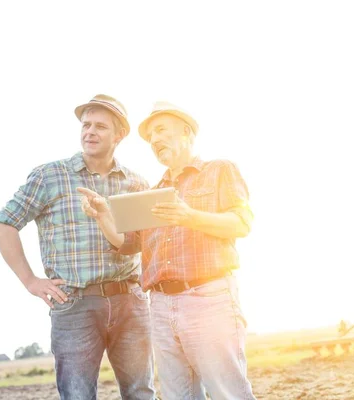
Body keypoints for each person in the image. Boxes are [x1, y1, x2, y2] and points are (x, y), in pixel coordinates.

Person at [78, 101, 256, 400]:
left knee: (228, 393)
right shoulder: (150, 192)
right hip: (160, 306)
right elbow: (128, 245)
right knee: (178, 396)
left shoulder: (219, 170)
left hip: (207, 300)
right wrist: (103, 216)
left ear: (186, 133)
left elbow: (241, 223)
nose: (155, 141)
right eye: (150, 139)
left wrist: (190, 217)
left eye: (161, 131)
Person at [0, 94, 156, 400]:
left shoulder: (136, 183)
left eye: (100, 127)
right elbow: (4, 223)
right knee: (77, 395)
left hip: (130, 302)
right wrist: (30, 281)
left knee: (141, 393)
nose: (90, 132)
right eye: (86, 125)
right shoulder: (49, 176)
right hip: (74, 306)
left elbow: (143, 244)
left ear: (119, 135)